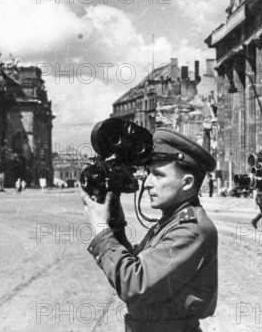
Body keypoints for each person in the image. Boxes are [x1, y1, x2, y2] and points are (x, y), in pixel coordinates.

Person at [81, 127, 218, 332]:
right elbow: (134, 262)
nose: (147, 183)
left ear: (187, 183)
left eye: (158, 175)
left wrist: (101, 231)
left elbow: (135, 283)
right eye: (148, 174)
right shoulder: (171, 221)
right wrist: (113, 216)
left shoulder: (191, 229)